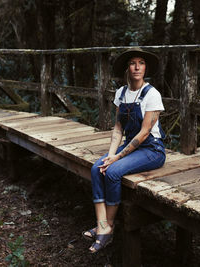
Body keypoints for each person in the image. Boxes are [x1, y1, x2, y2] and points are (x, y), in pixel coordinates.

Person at [82, 48, 166, 253]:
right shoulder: (121, 93)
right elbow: (118, 128)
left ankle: (108, 229)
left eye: (141, 63)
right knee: (97, 168)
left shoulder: (152, 94)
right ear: (127, 68)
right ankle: (101, 225)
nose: (137, 67)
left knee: (112, 172)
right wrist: (111, 155)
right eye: (133, 63)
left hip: (152, 149)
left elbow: (144, 133)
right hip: (130, 147)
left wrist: (117, 158)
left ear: (145, 68)